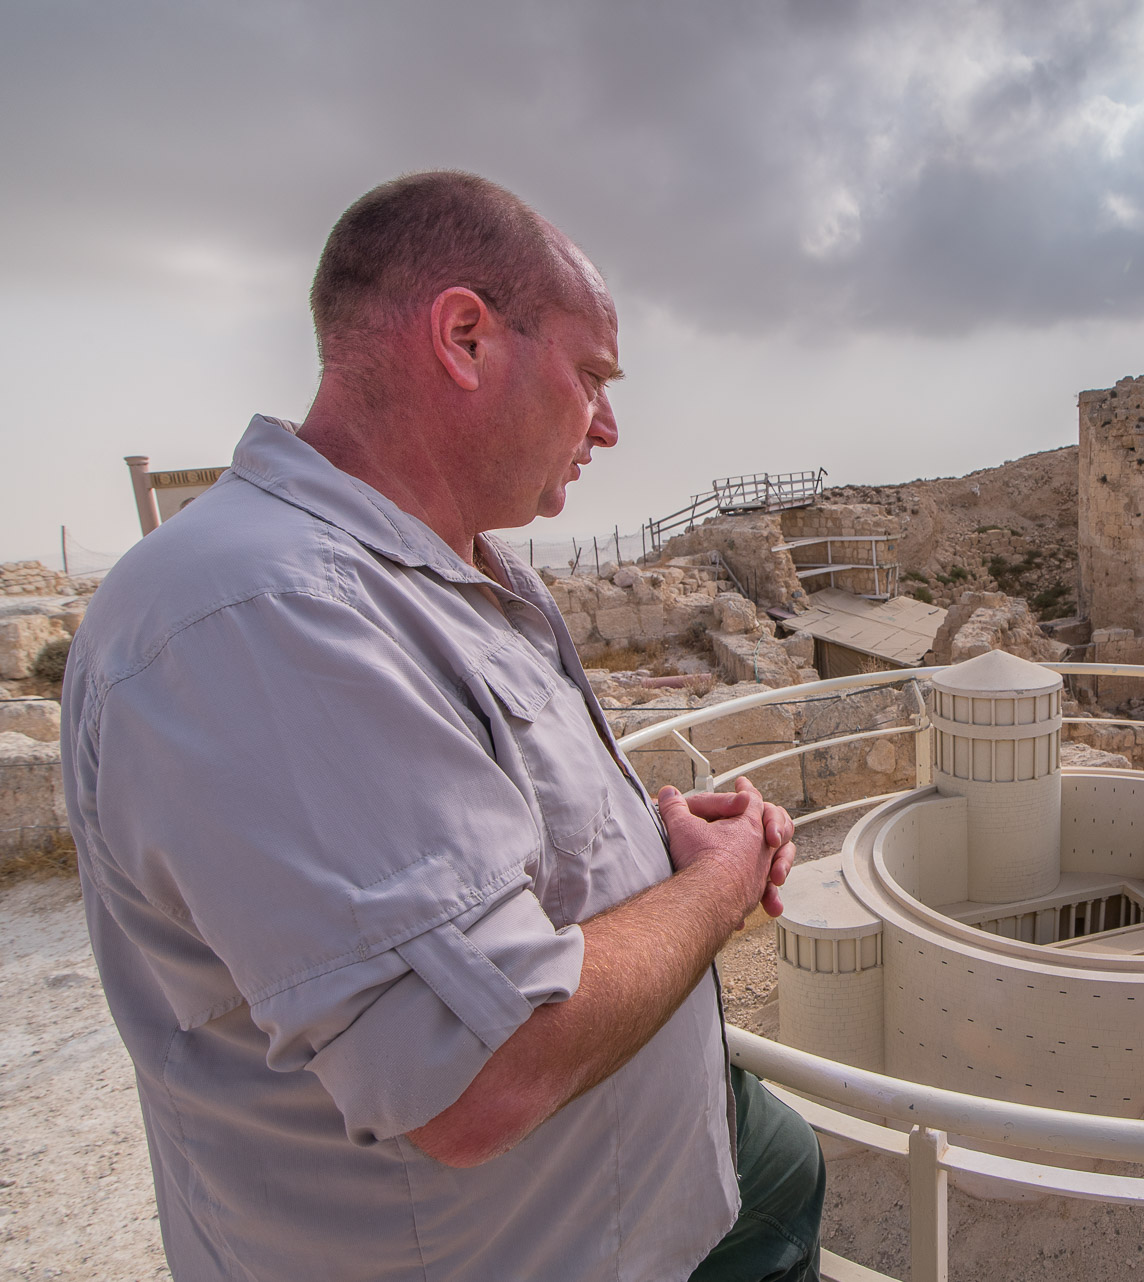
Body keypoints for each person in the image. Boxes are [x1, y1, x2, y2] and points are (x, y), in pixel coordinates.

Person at [61, 172, 825, 1281]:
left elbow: (477, 841)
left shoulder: (454, 571)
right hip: (526, 1249)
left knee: (786, 1160)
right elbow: (482, 1074)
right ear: (465, 338)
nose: (609, 425)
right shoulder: (262, 612)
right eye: (591, 376)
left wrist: (650, 848)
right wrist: (719, 882)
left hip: (638, 1198)